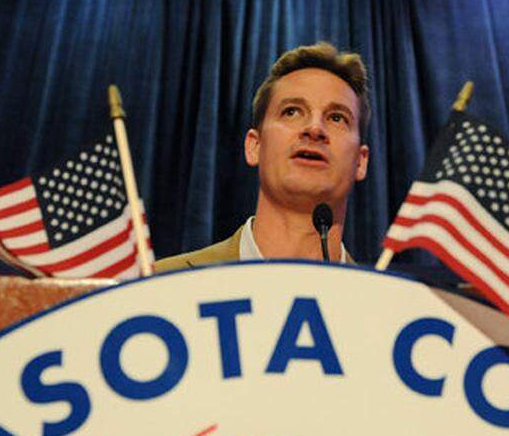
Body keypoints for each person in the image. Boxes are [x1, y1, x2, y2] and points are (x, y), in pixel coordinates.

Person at [154, 42, 370, 273]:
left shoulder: (389, 306)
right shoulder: (161, 284)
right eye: (292, 111)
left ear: (360, 161)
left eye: (337, 118)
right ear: (254, 146)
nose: (314, 128)